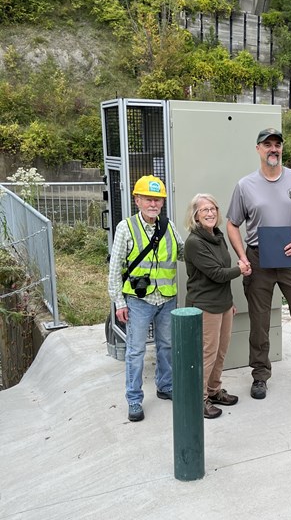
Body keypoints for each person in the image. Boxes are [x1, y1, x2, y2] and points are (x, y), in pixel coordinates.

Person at [226, 128, 291, 400]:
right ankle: (259, 376)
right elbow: (232, 223)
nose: (273, 149)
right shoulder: (245, 186)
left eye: (277, 145)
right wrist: (243, 256)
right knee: (259, 323)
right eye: (267, 145)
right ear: (258, 149)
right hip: (258, 260)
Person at [108, 175, 184, 423]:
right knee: (136, 351)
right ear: (137, 200)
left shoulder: (168, 226)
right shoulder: (126, 227)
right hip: (139, 301)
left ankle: (166, 386)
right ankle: (133, 399)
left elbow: (184, 252)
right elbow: (114, 268)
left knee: (167, 347)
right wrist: (119, 302)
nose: (154, 204)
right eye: (149, 199)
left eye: (158, 200)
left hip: (167, 298)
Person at [184, 193, 252, 419]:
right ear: (195, 215)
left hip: (222, 304)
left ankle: (214, 391)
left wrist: (230, 302)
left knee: (221, 352)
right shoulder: (194, 242)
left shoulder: (218, 236)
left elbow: (223, 269)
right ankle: (199, 399)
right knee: (207, 354)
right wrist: (241, 270)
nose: (211, 213)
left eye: (213, 208)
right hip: (205, 305)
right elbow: (216, 273)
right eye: (205, 210)